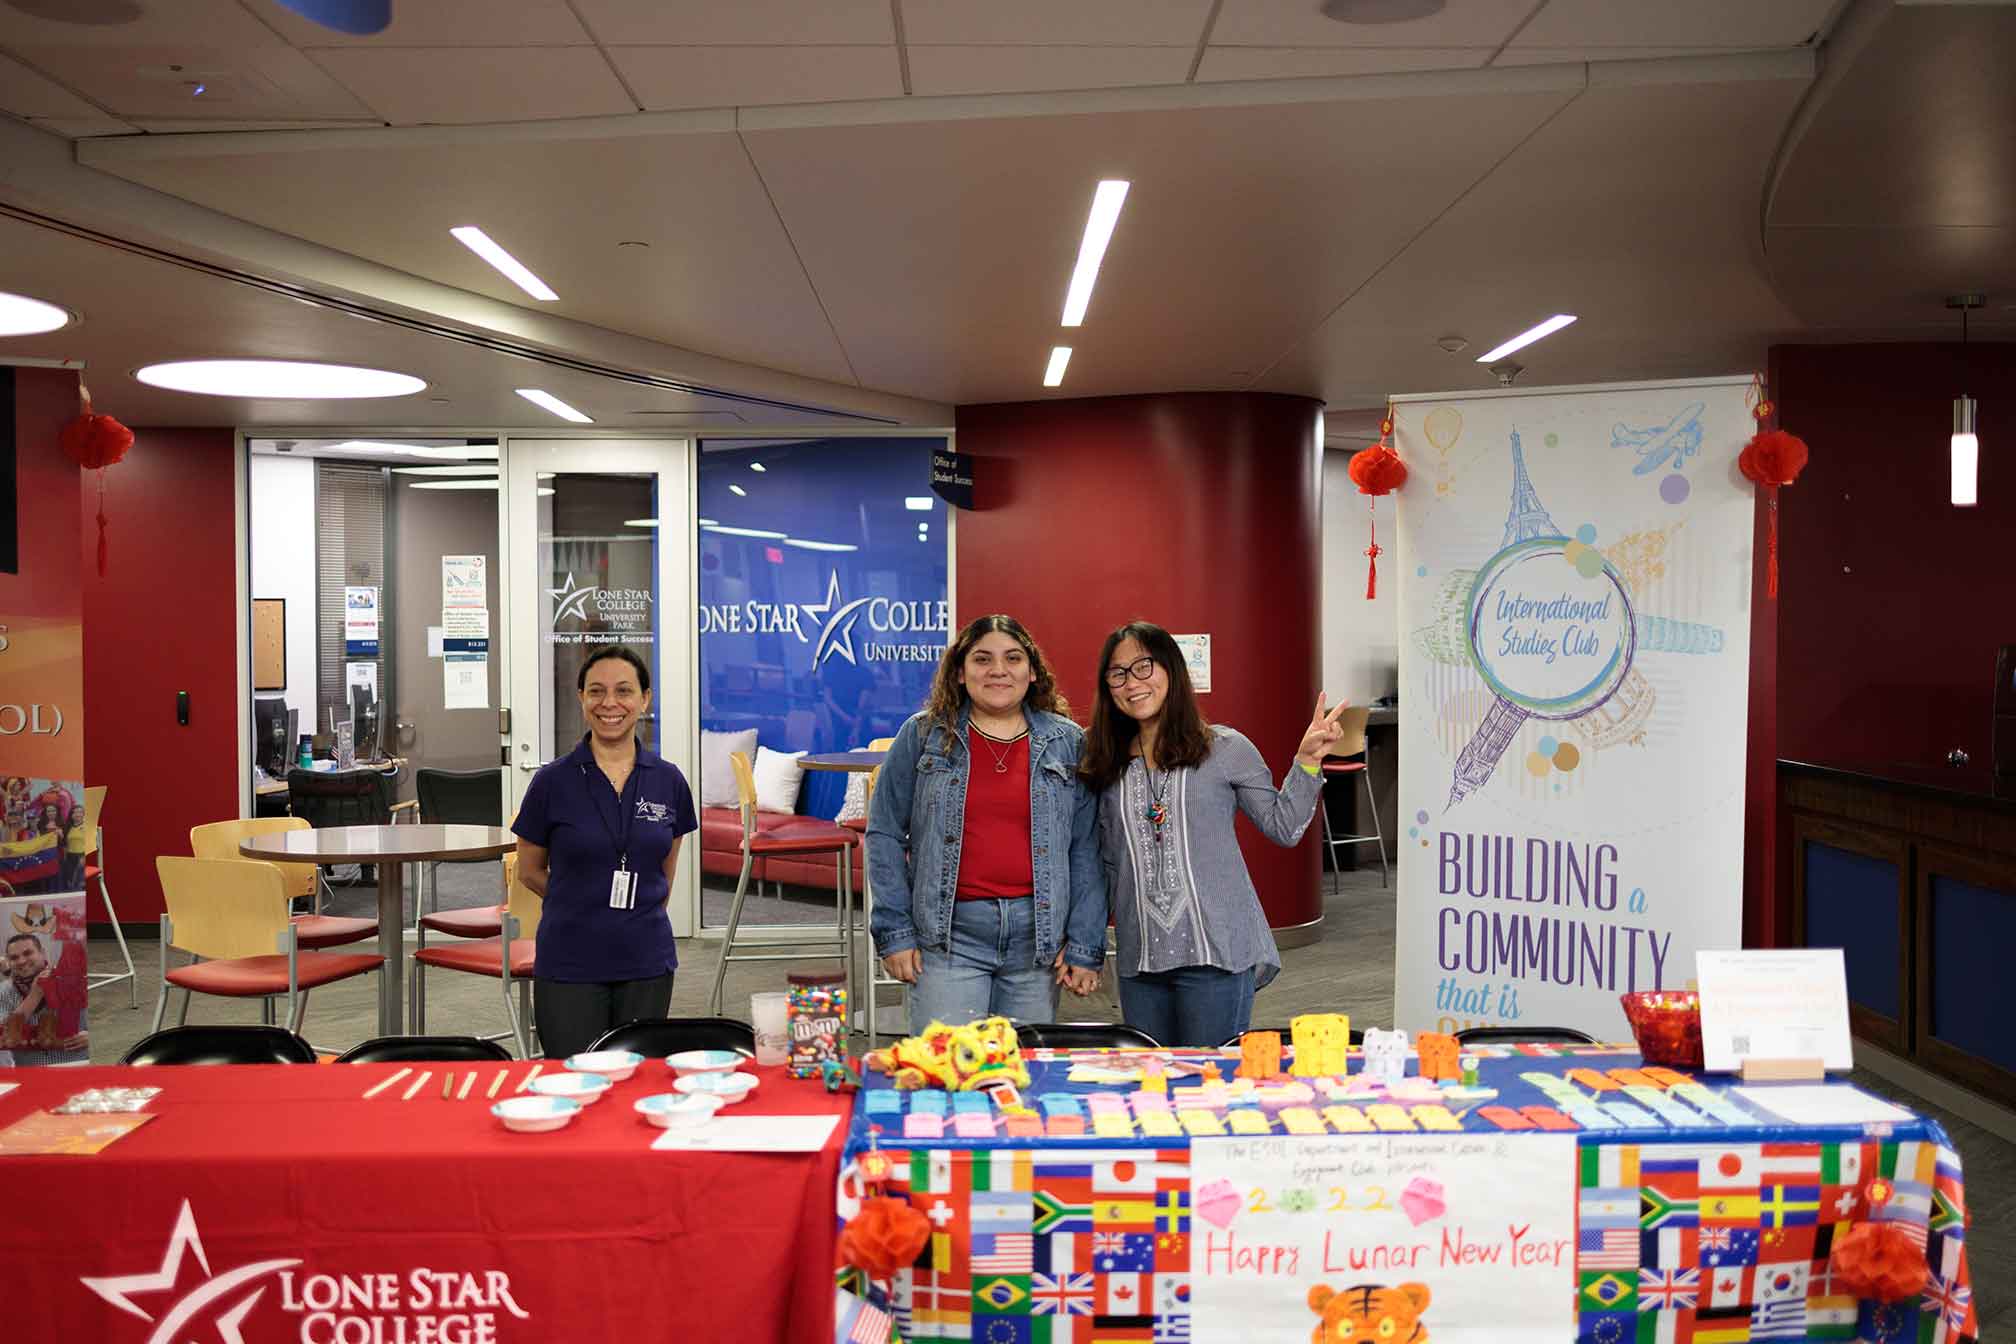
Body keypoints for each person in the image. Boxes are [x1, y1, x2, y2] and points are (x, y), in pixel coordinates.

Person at [1081, 621, 1348, 1048]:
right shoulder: (1101, 761)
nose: (1132, 683)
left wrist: (1307, 762)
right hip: (1139, 959)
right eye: (1118, 673)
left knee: (1209, 1085)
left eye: (1144, 667)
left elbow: (1284, 826)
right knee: (1152, 1088)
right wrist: (1085, 945)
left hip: (1216, 955)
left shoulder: (1225, 749)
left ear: (1172, 670)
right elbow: (1097, 865)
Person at [868, 614, 1106, 1032]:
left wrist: (1085, 944)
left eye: (1013, 658)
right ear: (960, 672)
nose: (998, 670)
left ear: (1032, 672)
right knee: (945, 1077)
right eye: (982, 659)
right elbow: (885, 833)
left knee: (1022, 1077)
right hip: (947, 938)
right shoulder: (924, 736)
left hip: (1038, 941)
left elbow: (1086, 848)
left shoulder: (1069, 742)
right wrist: (895, 931)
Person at [513, 645, 698, 1060]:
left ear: (644, 699)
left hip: (646, 962)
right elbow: (528, 871)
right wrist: (582, 897)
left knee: (636, 1086)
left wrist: (633, 910)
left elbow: (663, 876)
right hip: (569, 961)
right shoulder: (551, 782)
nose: (610, 703)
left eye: (624, 691)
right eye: (596, 691)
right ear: (581, 698)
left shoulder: (668, 781)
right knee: (575, 1083)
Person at [0, 932, 88, 1064]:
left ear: (42, 952)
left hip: (75, 1066)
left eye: (28, 953)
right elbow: (4, 1036)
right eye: (14, 957)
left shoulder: (73, 982)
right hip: (30, 1073)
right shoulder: (4, 991)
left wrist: (90, 1037)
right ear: (9, 961)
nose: (21, 961)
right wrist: (35, 994)